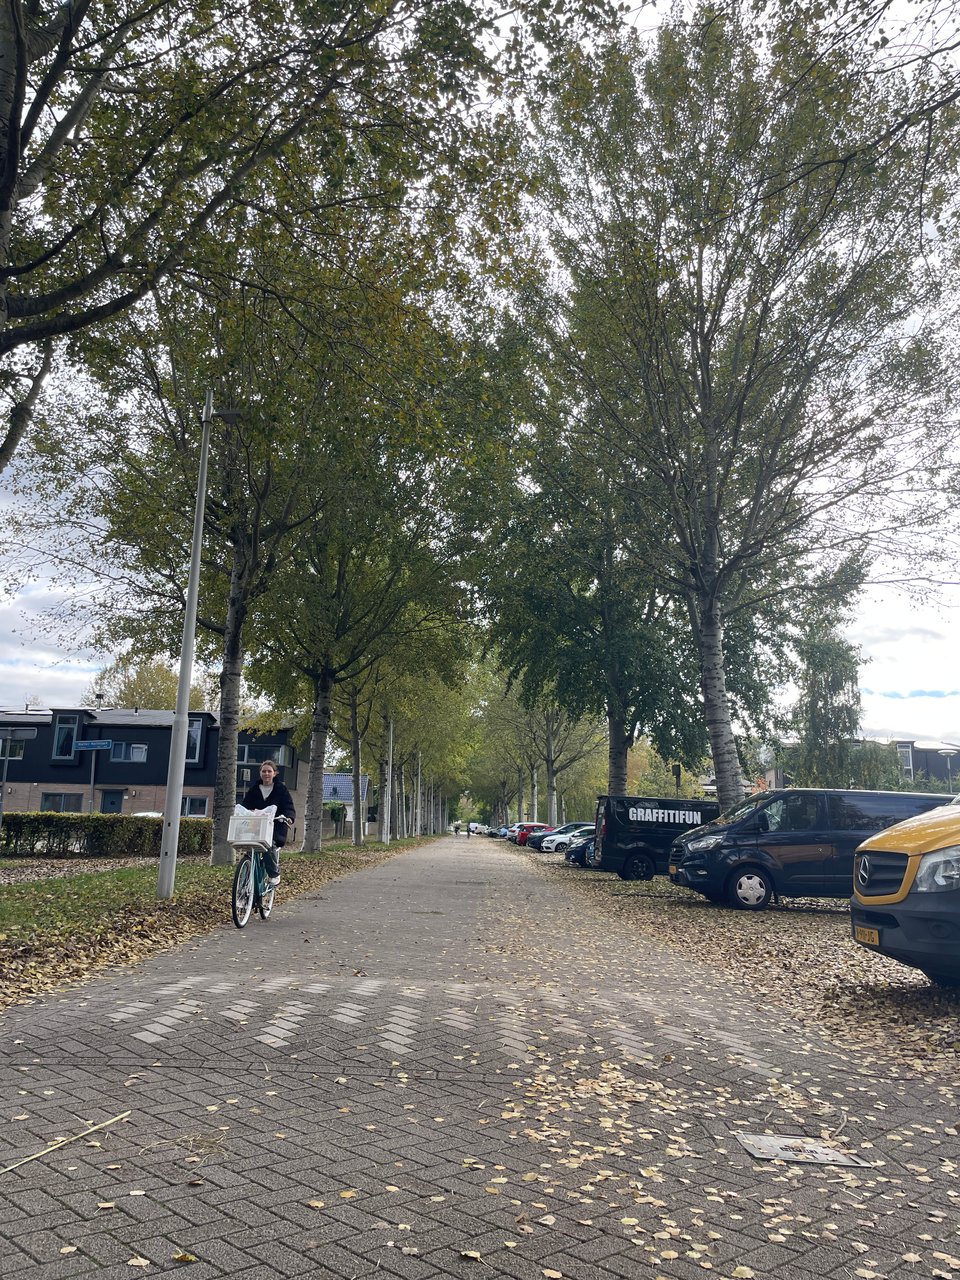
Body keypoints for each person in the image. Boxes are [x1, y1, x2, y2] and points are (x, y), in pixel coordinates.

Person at [241, 760, 295, 887]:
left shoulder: (281, 789)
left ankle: (274, 874)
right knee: (249, 849)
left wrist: (289, 818)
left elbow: (288, 806)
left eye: (269, 771)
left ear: (275, 773)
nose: (266, 774)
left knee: (267, 846)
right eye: (264, 771)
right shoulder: (254, 789)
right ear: (260, 773)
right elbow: (245, 805)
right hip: (256, 826)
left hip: (275, 827)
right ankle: (244, 882)